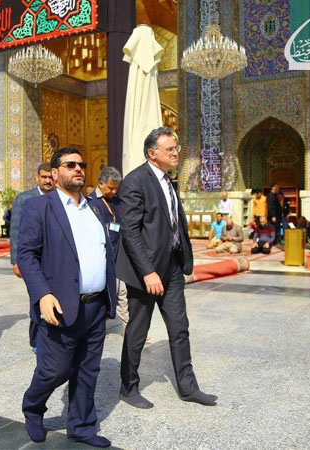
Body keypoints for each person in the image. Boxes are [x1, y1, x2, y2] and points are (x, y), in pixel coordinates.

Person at [18, 147, 116, 447]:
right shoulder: (39, 207)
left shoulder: (96, 208)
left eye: (81, 164)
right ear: (55, 172)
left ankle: (81, 426)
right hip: (60, 306)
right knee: (55, 369)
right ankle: (33, 407)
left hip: (95, 306)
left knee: (88, 369)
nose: (78, 169)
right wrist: (43, 295)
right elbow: (26, 255)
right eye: (70, 164)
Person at [117, 126, 217, 409]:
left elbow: (175, 223)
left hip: (171, 266)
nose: (176, 153)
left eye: (177, 148)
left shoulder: (168, 180)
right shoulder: (135, 181)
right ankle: (128, 387)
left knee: (179, 327)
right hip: (145, 271)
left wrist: (185, 259)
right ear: (152, 153)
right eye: (170, 149)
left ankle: (188, 387)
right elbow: (130, 231)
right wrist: (147, 271)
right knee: (138, 330)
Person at [10, 163, 55, 353]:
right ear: (37, 177)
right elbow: (15, 231)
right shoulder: (24, 199)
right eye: (44, 177)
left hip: (54, 259)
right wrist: (16, 261)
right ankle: (36, 340)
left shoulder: (60, 197)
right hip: (32, 259)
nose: (47, 181)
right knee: (36, 296)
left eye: (50, 177)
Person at [92, 166, 130, 327]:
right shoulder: (89, 202)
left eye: (116, 188)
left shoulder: (117, 201)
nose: (114, 191)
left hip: (119, 255)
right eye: (110, 188)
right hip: (100, 257)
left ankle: (131, 329)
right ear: (100, 183)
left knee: (122, 292)